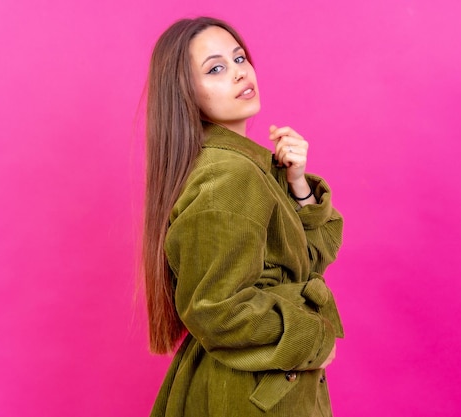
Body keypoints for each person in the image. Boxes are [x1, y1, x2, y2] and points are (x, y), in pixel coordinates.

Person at [142, 17, 345, 417]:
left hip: (261, 388)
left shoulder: (250, 168)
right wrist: (315, 339)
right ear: (185, 94)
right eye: (216, 68)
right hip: (246, 397)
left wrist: (297, 184)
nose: (238, 72)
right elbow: (216, 309)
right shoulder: (228, 175)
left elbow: (314, 256)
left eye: (239, 58)